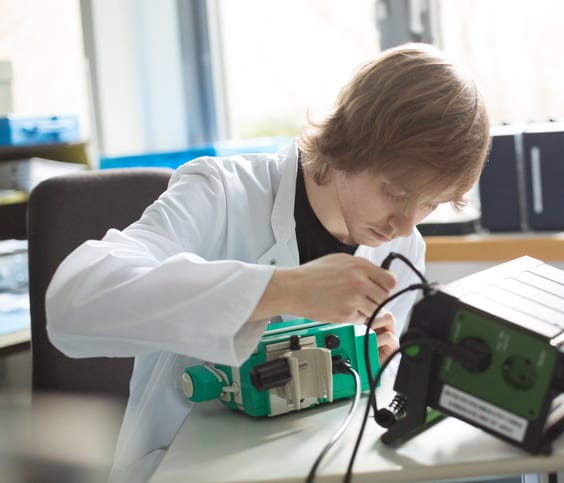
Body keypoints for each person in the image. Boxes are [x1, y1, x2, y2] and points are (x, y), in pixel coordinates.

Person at [45, 42, 490, 482]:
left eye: (429, 204)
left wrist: (385, 371)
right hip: (187, 468)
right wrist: (283, 290)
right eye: (394, 192)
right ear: (349, 143)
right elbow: (74, 302)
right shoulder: (220, 193)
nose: (405, 223)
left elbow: (364, 406)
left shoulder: (403, 248)